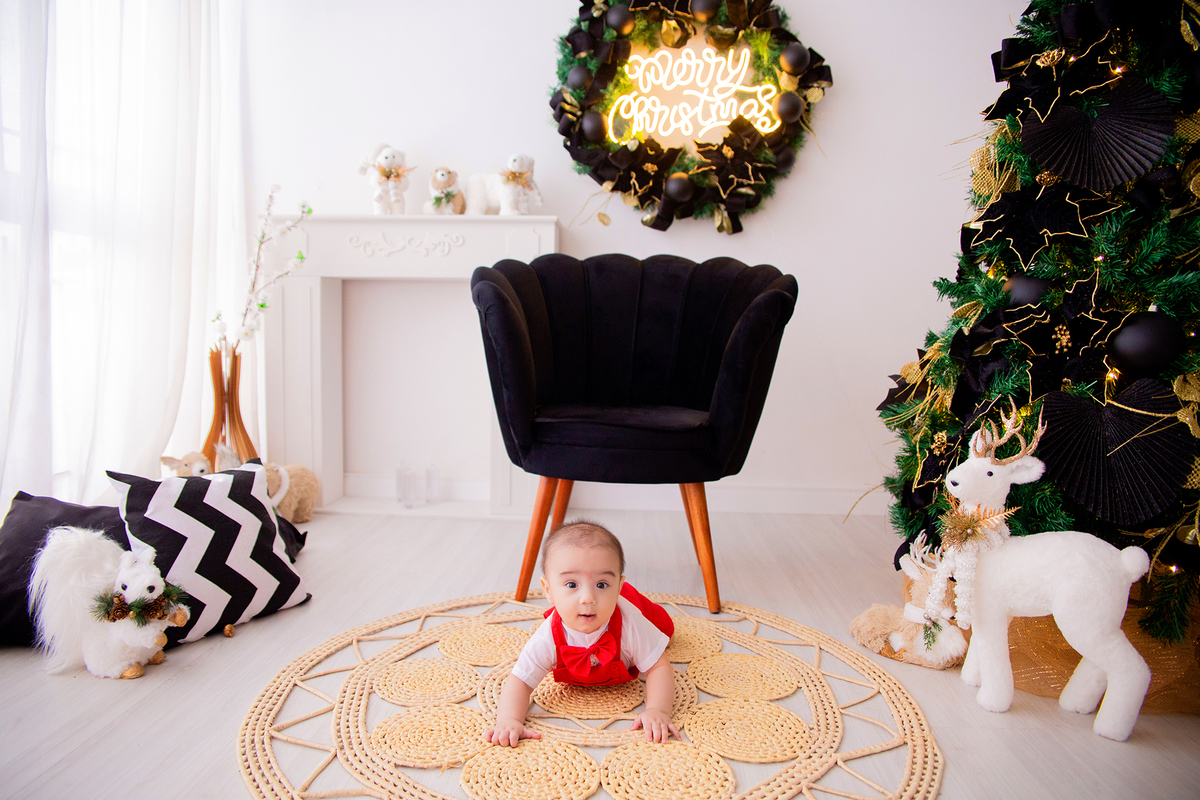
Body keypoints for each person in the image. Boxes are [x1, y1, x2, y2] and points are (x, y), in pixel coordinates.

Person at [484, 520, 678, 746]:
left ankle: (623, 596)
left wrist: (657, 710)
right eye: (571, 585)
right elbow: (520, 681)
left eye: (602, 584)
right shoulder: (547, 636)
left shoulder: (631, 622)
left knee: (666, 633)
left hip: (631, 605)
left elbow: (659, 667)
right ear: (548, 590)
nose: (588, 598)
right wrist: (509, 719)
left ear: (617, 587)